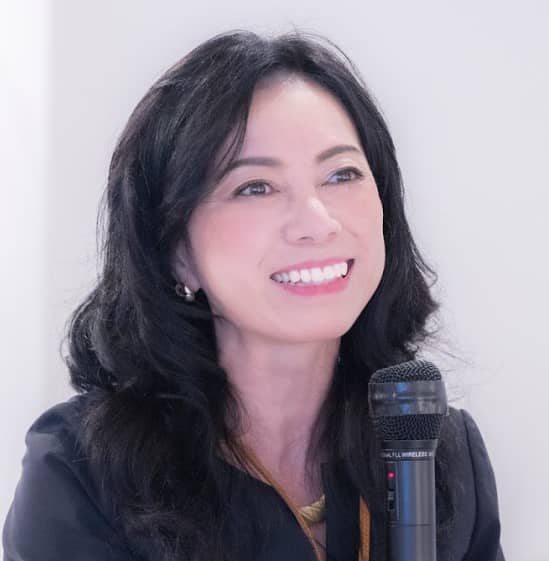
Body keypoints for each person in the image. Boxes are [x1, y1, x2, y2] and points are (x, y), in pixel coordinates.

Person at [2, 30, 504, 561]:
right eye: (255, 187)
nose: (317, 222)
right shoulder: (83, 475)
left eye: (341, 175)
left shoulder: (439, 452)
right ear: (177, 250)